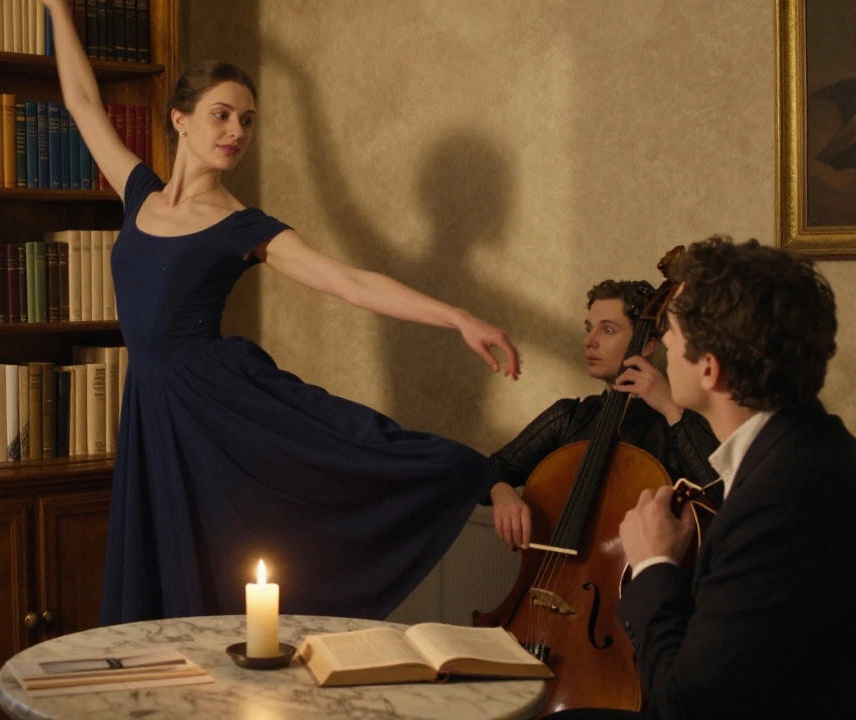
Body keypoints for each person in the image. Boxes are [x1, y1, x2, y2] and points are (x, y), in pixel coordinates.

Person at [41, 0, 521, 624]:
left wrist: (458, 317)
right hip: (155, 407)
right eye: (221, 115)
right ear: (179, 119)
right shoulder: (139, 195)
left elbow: (349, 282)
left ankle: (478, 475)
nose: (236, 132)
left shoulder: (242, 225)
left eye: (247, 120)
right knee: (175, 569)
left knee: (272, 523)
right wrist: (57, 8)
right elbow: (82, 101)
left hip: (217, 403)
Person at [610, 237, 856, 719]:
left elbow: (688, 705)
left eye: (672, 331)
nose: (664, 341)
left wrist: (653, 564)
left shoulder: (785, 501)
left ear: (709, 369)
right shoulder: (809, 448)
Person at [487, 280, 720, 550]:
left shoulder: (681, 422)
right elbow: (489, 471)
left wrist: (670, 407)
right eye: (589, 328)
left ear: (647, 345)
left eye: (607, 330)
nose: (589, 341)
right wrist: (502, 492)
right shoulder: (568, 417)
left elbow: (723, 495)